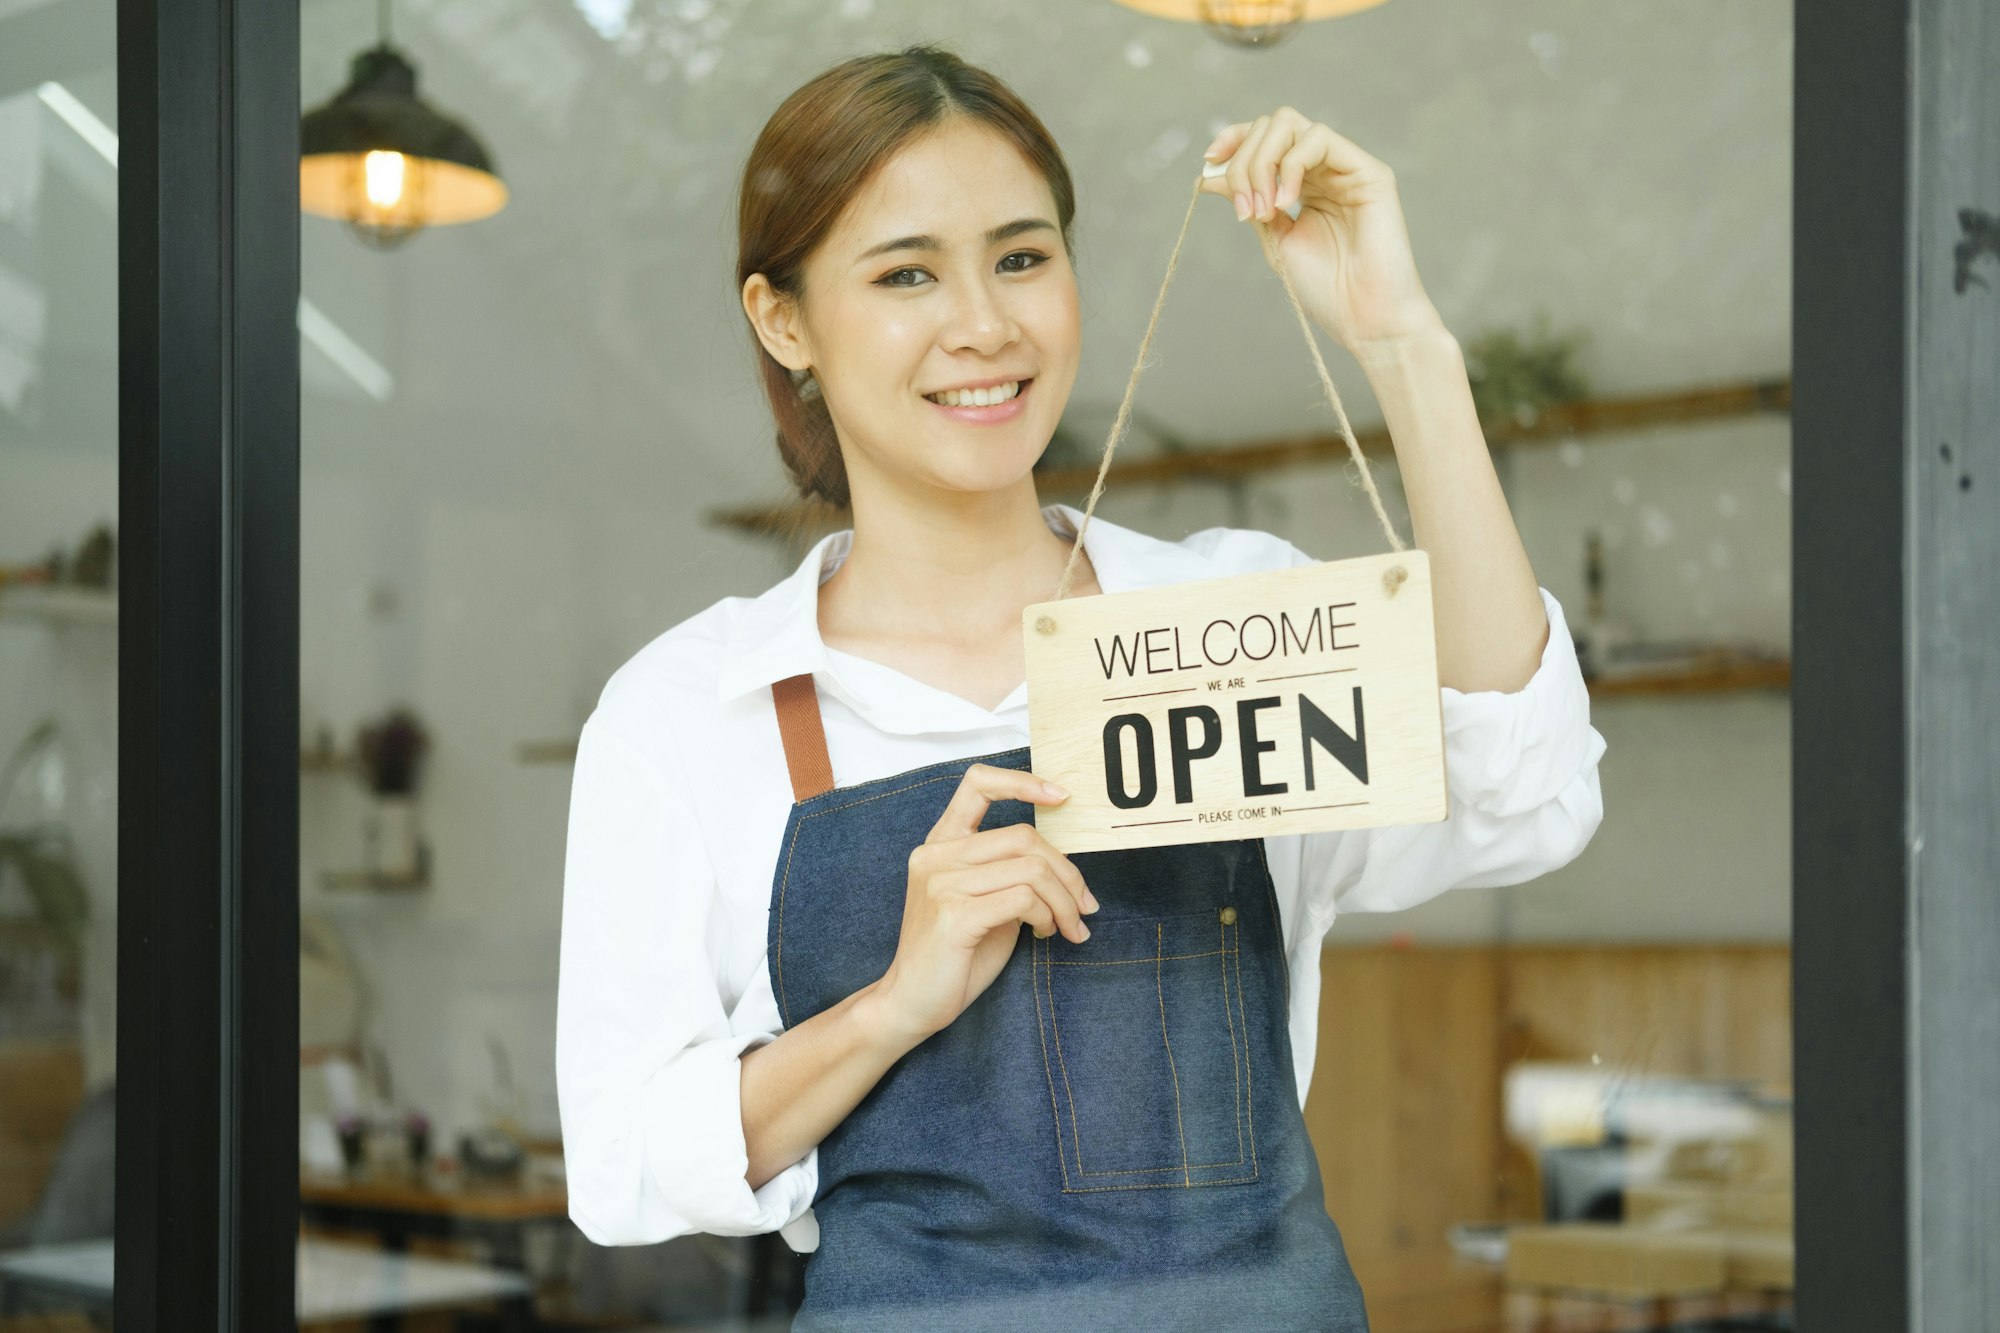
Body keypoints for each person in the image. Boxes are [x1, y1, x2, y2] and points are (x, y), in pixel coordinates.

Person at [556, 44, 1606, 1331]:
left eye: (1020, 256)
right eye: (904, 274)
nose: (984, 326)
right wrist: (891, 1006)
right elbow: (620, 1165)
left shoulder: (1227, 617)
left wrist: (1404, 343)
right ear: (784, 323)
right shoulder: (689, 711)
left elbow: (1523, 788)